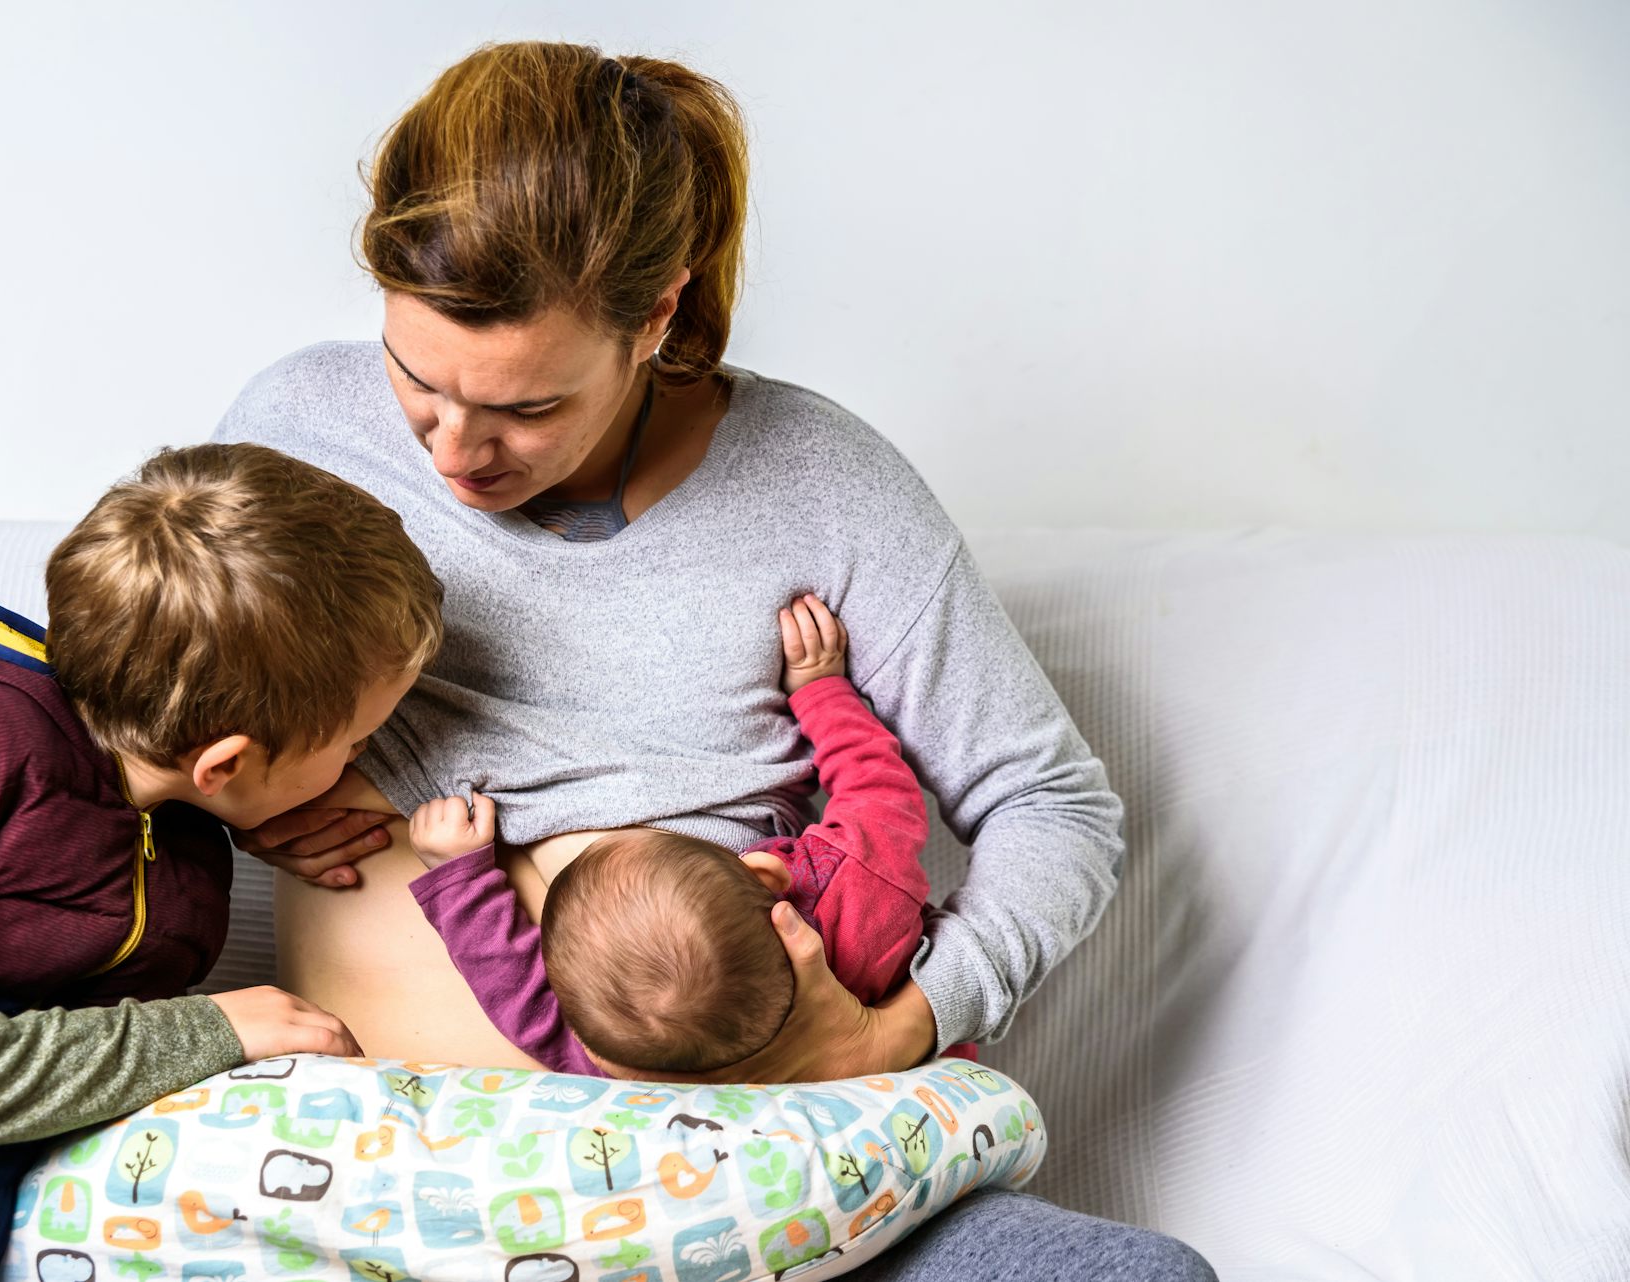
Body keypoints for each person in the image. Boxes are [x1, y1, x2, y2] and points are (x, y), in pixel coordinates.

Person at [220, 40, 1216, 1279]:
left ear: (657, 316)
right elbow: (138, 703)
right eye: (417, 382)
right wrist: (241, 799)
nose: (456, 453)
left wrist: (896, 1029)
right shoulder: (291, 432)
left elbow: (1054, 807)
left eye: (529, 410)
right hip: (392, 1194)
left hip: (763, 1176)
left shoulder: (823, 482)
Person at [0, 444, 440, 1282]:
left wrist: (242, 816)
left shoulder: (162, 805)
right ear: (225, 760)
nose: (364, 759)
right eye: (354, 741)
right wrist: (211, 1030)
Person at [405, 592, 944, 1078]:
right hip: (908, 1092)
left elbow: (512, 985)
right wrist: (822, 690)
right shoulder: (857, 885)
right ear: (763, 872)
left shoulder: (623, 1061)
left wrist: (460, 876)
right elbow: (877, 787)